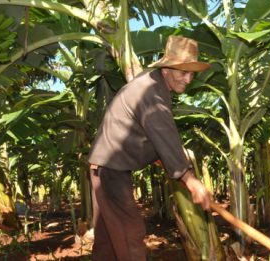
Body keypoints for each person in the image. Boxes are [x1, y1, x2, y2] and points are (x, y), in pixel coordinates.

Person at [87, 36, 212, 261]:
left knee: (107, 245)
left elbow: (146, 132)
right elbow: (165, 135)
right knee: (130, 235)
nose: (188, 79)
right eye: (183, 72)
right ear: (166, 68)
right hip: (110, 170)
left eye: (192, 73)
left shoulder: (152, 84)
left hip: (104, 167)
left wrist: (157, 156)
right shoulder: (152, 94)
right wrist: (192, 182)